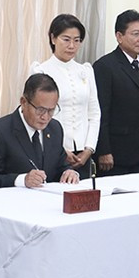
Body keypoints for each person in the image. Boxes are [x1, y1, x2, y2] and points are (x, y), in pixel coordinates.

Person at [93, 9, 139, 176]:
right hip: (116, 155)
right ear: (119, 36)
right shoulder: (105, 66)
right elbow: (101, 111)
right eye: (135, 34)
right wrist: (103, 150)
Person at [0, 73, 81, 189]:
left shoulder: (55, 128)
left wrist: (69, 172)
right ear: (23, 102)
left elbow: (61, 165)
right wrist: (22, 180)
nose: (45, 117)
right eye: (40, 110)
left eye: (51, 110)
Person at [30, 14, 100, 179]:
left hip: (83, 154)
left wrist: (89, 149)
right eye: (66, 39)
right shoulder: (41, 71)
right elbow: (36, 115)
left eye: (77, 40)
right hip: (52, 150)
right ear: (53, 38)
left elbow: (94, 113)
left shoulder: (85, 70)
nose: (72, 45)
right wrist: (61, 149)